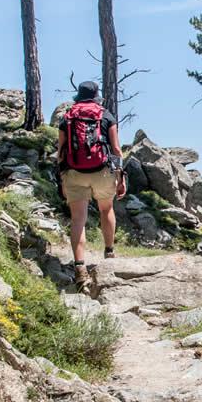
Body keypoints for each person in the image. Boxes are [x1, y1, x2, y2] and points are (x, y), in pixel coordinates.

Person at [55, 81, 126, 295]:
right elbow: (115, 149)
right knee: (106, 209)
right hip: (102, 171)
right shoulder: (106, 115)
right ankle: (109, 254)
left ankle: (79, 268)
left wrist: (62, 176)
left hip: (74, 173)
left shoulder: (67, 117)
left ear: (79, 95)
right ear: (97, 96)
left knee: (78, 220)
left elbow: (60, 151)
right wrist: (121, 177)